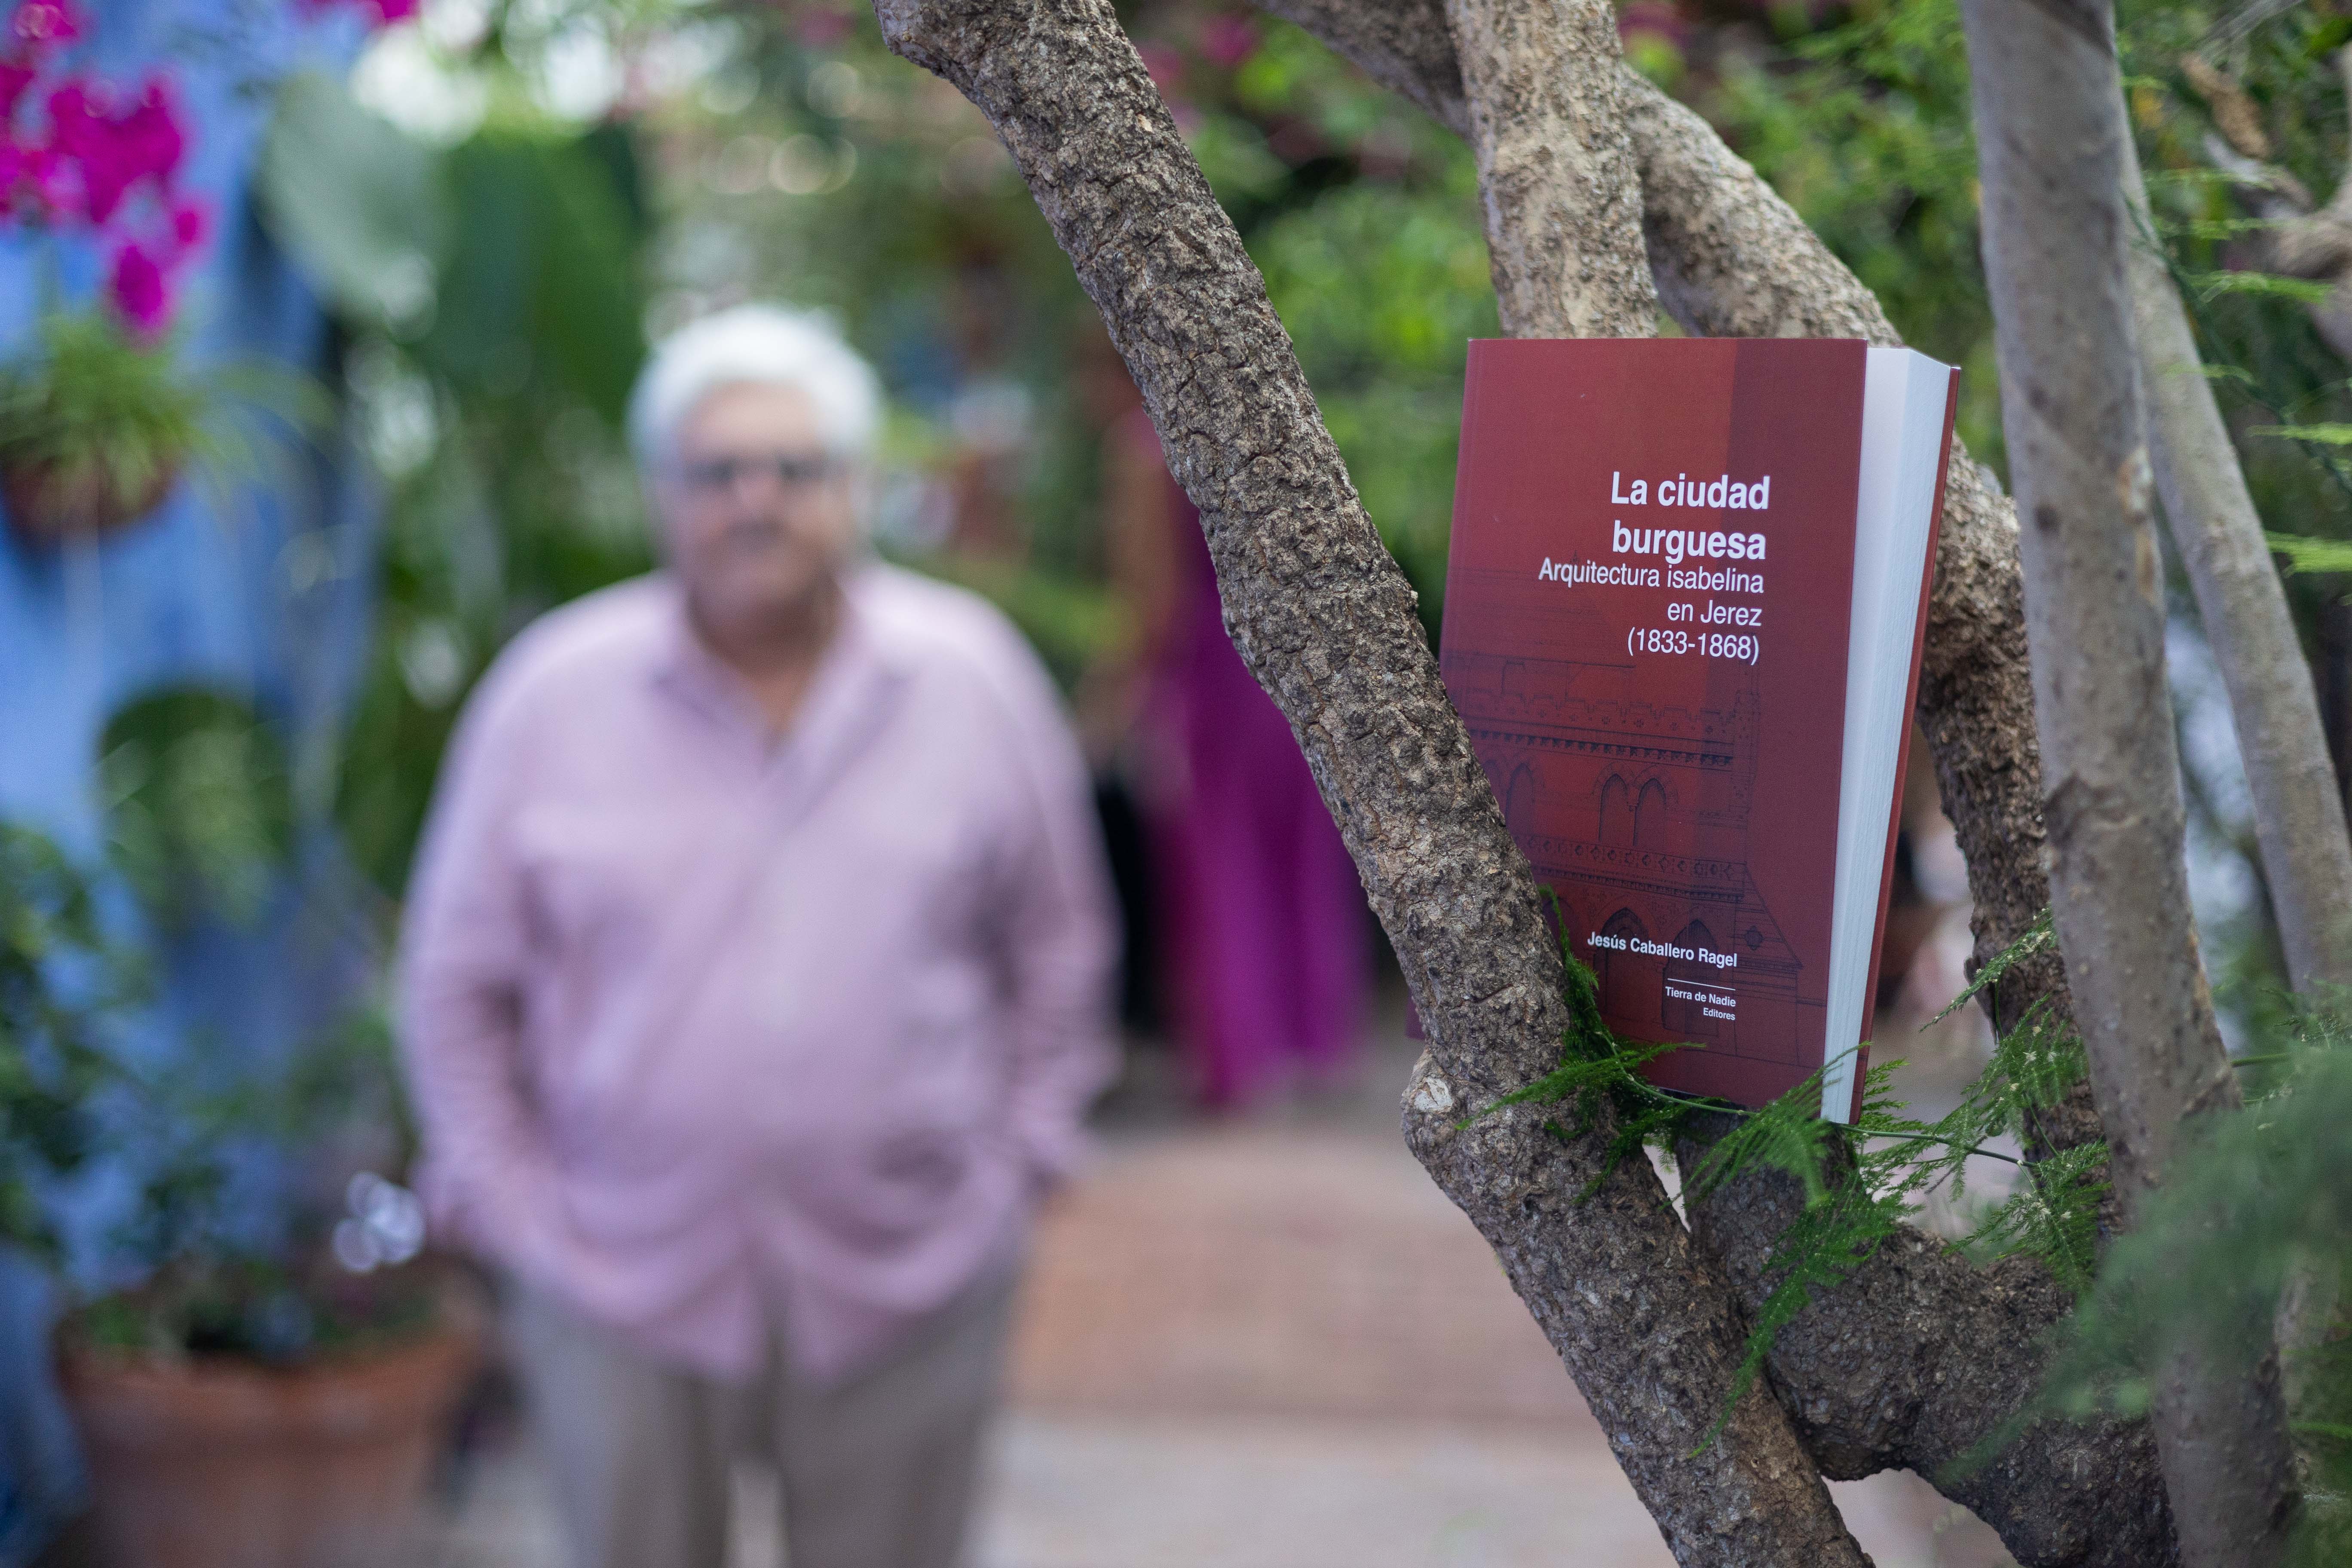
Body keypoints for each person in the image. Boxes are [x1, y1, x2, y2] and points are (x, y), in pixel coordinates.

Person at [398, 305, 1117, 1568]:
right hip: (613, 1273)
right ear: (663, 494)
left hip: (912, 1273)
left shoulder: (972, 680)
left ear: (858, 490)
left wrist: (1018, 1163)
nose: (756, 501)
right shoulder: (550, 695)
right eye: (717, 471)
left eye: (796, 468)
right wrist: (514, 1209)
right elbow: (455, 982)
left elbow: (1059, 946)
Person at [1075, 331, 1368, 1107]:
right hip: (1283, 679)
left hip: (1206, 683)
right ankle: (1308, 1045)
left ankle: (1237, 1063)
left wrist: (1109, 703)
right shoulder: (1257, 433)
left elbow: (1152, 603)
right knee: (1292, 856)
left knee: (1217, 865)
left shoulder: (1141, 448)